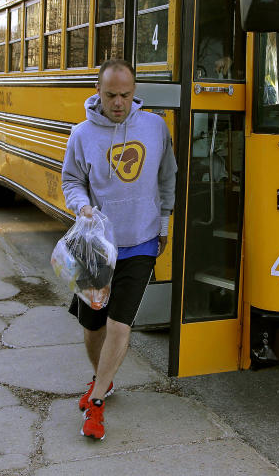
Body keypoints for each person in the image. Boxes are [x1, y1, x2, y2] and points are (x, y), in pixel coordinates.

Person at [61, 58, 177, 441]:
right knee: (92, 325)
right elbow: (71, 181)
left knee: (118, 324)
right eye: (110, 95)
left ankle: (96, 404)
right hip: (97, 247)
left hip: (141, 242)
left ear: (134, 92)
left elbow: (167, 177)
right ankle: (103, 380)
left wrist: (162, 225)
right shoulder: (81, 134)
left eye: (126, 95)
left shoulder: (155, 127)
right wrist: (81, 206)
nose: (118, 103)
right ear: (98, 91)